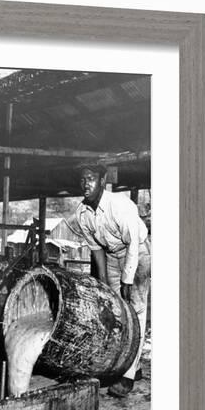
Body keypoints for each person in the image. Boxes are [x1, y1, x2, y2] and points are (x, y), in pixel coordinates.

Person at [75, 163, 151, 397]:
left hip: (138, 253)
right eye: (83, 179)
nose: (86, 184)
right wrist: (104, 284)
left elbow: (132, 244)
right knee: (117, 311)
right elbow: (97, 249)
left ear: (102, 180)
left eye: (91, 178)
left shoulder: (119, 205)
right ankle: (132, 365)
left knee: (135, 310)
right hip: (111, 255)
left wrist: (128, 279)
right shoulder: (82, 213)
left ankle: (127, 378)